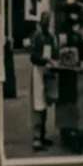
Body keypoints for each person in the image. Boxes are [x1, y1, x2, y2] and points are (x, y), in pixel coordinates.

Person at [29, 12, 57, 150]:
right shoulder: (38, 35)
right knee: (38, 105)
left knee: (45, 104)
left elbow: (54, 53)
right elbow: (33, 57)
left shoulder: (50, 37)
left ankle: (42, 135)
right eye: (46, 20)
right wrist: (46, 60)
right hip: (38, 72)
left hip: (47, 72)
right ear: (42, 21)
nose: (48, 22)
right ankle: (36, 139)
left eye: (49, 20)